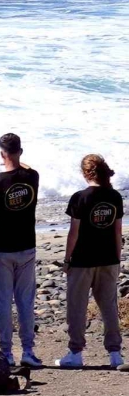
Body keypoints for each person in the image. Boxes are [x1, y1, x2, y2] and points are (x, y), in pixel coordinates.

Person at [0, 133, 43, 368]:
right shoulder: (31, 176)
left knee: (3, 302)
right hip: (26, 246)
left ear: (1, 153)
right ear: (20, 151)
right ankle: (28, 350)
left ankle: (6, 352)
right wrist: (17, 161)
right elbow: (26, 166)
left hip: (2, 249)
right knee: (25, 301)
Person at [58, 154, 124, 369]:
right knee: (109, 307)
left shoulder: (80, 197)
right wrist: (117, 257)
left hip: (83, 261)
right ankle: (115, 354)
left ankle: (75, 353)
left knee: (77, 307)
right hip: (108, 259)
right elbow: (117, 231)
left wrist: (67, 259)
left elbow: (73, 232)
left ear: (86, 173)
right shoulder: (114, 196)